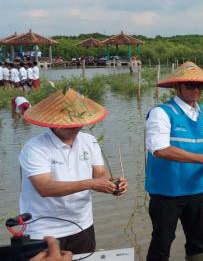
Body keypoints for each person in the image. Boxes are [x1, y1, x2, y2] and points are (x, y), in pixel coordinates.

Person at [19, 88, 128, 254]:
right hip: (44, 229)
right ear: (52, 122)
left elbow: (99, 174)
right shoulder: (34, 148)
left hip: (83, 225)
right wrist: (89, 184)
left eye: (79, 122)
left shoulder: (89, 140)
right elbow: (44, 188)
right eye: (68, 123)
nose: (75, 127)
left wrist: (113, 184)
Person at [145, 61, 203, 261]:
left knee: (199, 241)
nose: (195, 90)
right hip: (166, 192)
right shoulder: (161, 113)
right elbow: (160, 150)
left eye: (199, 86)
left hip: (196, 190)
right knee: (162, 242)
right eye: (190, 85)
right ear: (177, 86)